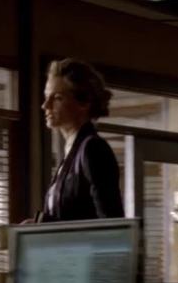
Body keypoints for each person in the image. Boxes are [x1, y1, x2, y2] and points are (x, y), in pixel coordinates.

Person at [39, 58, 124, 222]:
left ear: (84, 103)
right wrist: (39, 224)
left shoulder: (93, 148)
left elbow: (111, 223)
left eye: (57, 98)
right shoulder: (71, 152)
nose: (45, 105)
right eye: (46, 97)